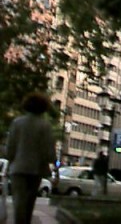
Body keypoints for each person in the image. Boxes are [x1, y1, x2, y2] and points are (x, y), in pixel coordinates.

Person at [6, 93, 56, 224]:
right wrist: (52, 167)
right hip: (36, 170)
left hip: (18, 168)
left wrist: (10, 161)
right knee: (29, 202)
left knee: (19, 201)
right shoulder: (45, 126)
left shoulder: (17, 122)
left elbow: (10, 147)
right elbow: (49, 151)